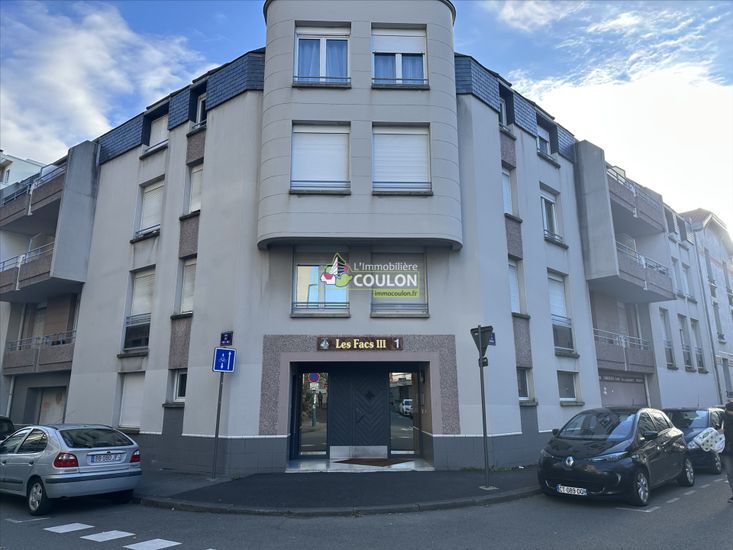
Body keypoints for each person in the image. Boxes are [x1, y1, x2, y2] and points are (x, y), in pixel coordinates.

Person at [722, 402, 733, 503]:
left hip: (727, 449)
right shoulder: (722, 419)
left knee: (730, 473)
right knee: (730, 473)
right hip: (727, 450)